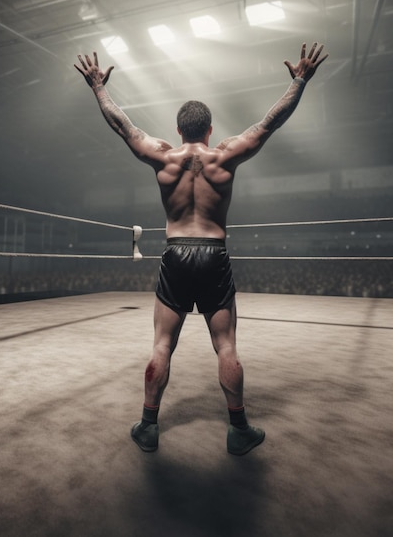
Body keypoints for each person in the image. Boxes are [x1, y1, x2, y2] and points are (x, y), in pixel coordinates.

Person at [74, 42, 328, 455]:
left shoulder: (164, 157)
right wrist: (300, 81)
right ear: (210, 129)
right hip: (214, 253)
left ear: (178, 130)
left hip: (176, 253)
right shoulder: (223, 156)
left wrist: (98, 88)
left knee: (161, 346)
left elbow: (123, 126)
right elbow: (268, 124)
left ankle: (149, 425)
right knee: (226, 346)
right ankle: (238, 428)